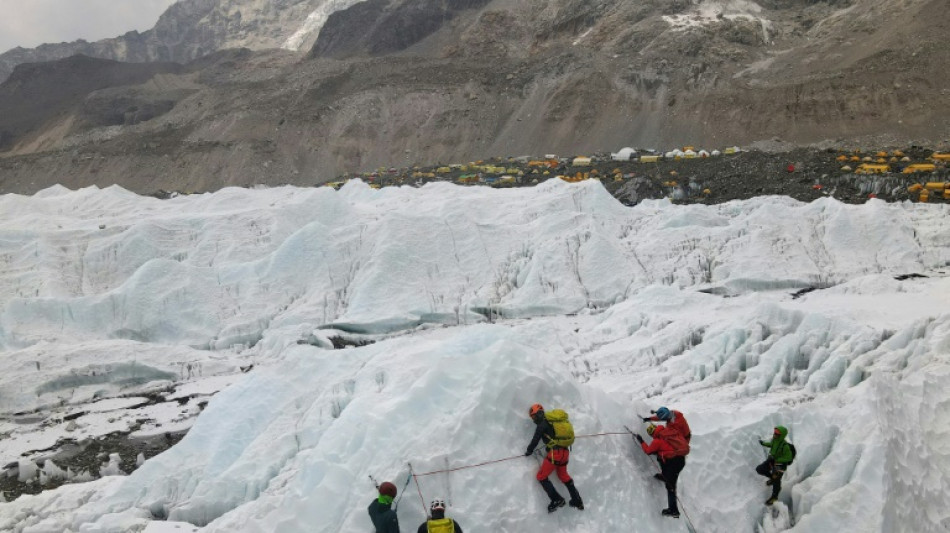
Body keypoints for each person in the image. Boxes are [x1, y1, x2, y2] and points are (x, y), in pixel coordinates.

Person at [524, 403, 584, 512]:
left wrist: (529, 451)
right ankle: (577, 500)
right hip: (565, 452)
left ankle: (557, 499)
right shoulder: (553, 422)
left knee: (541, 476)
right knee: (563, 476)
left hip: (555, 454)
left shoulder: (542, 424)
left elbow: (535, 439)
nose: (533, 419)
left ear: (538, 414)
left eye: (533, 416)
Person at [635, 424, 685, 518]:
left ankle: (673, 510)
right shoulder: (667, 434)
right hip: (679, 459)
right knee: (661, 458)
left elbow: (648, 451)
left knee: (670, 485)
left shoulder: (657, 441)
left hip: (673, 463)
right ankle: (665, 476)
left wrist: (641, 441)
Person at [643, 407, 691, 482]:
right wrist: (650, 418)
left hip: (683, 438)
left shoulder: (676, 424)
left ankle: (669, 474)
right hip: (680, 438)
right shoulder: (673, 414)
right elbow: (662, 416)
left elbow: (648, 451)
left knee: (673, 453)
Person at [756, 426, 795, 505]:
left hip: (780, 465)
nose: (775, 434)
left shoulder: (785, 446)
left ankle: (774, 496)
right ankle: (772, 479)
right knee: (759, 469)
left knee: (776, 480)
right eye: (775, 432)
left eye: (777, 433)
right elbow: (771, 445)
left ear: (782, 435)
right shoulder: (775, 440)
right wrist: (763, 443)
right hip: (772, 460)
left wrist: (777, 460)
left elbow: (789, 457)